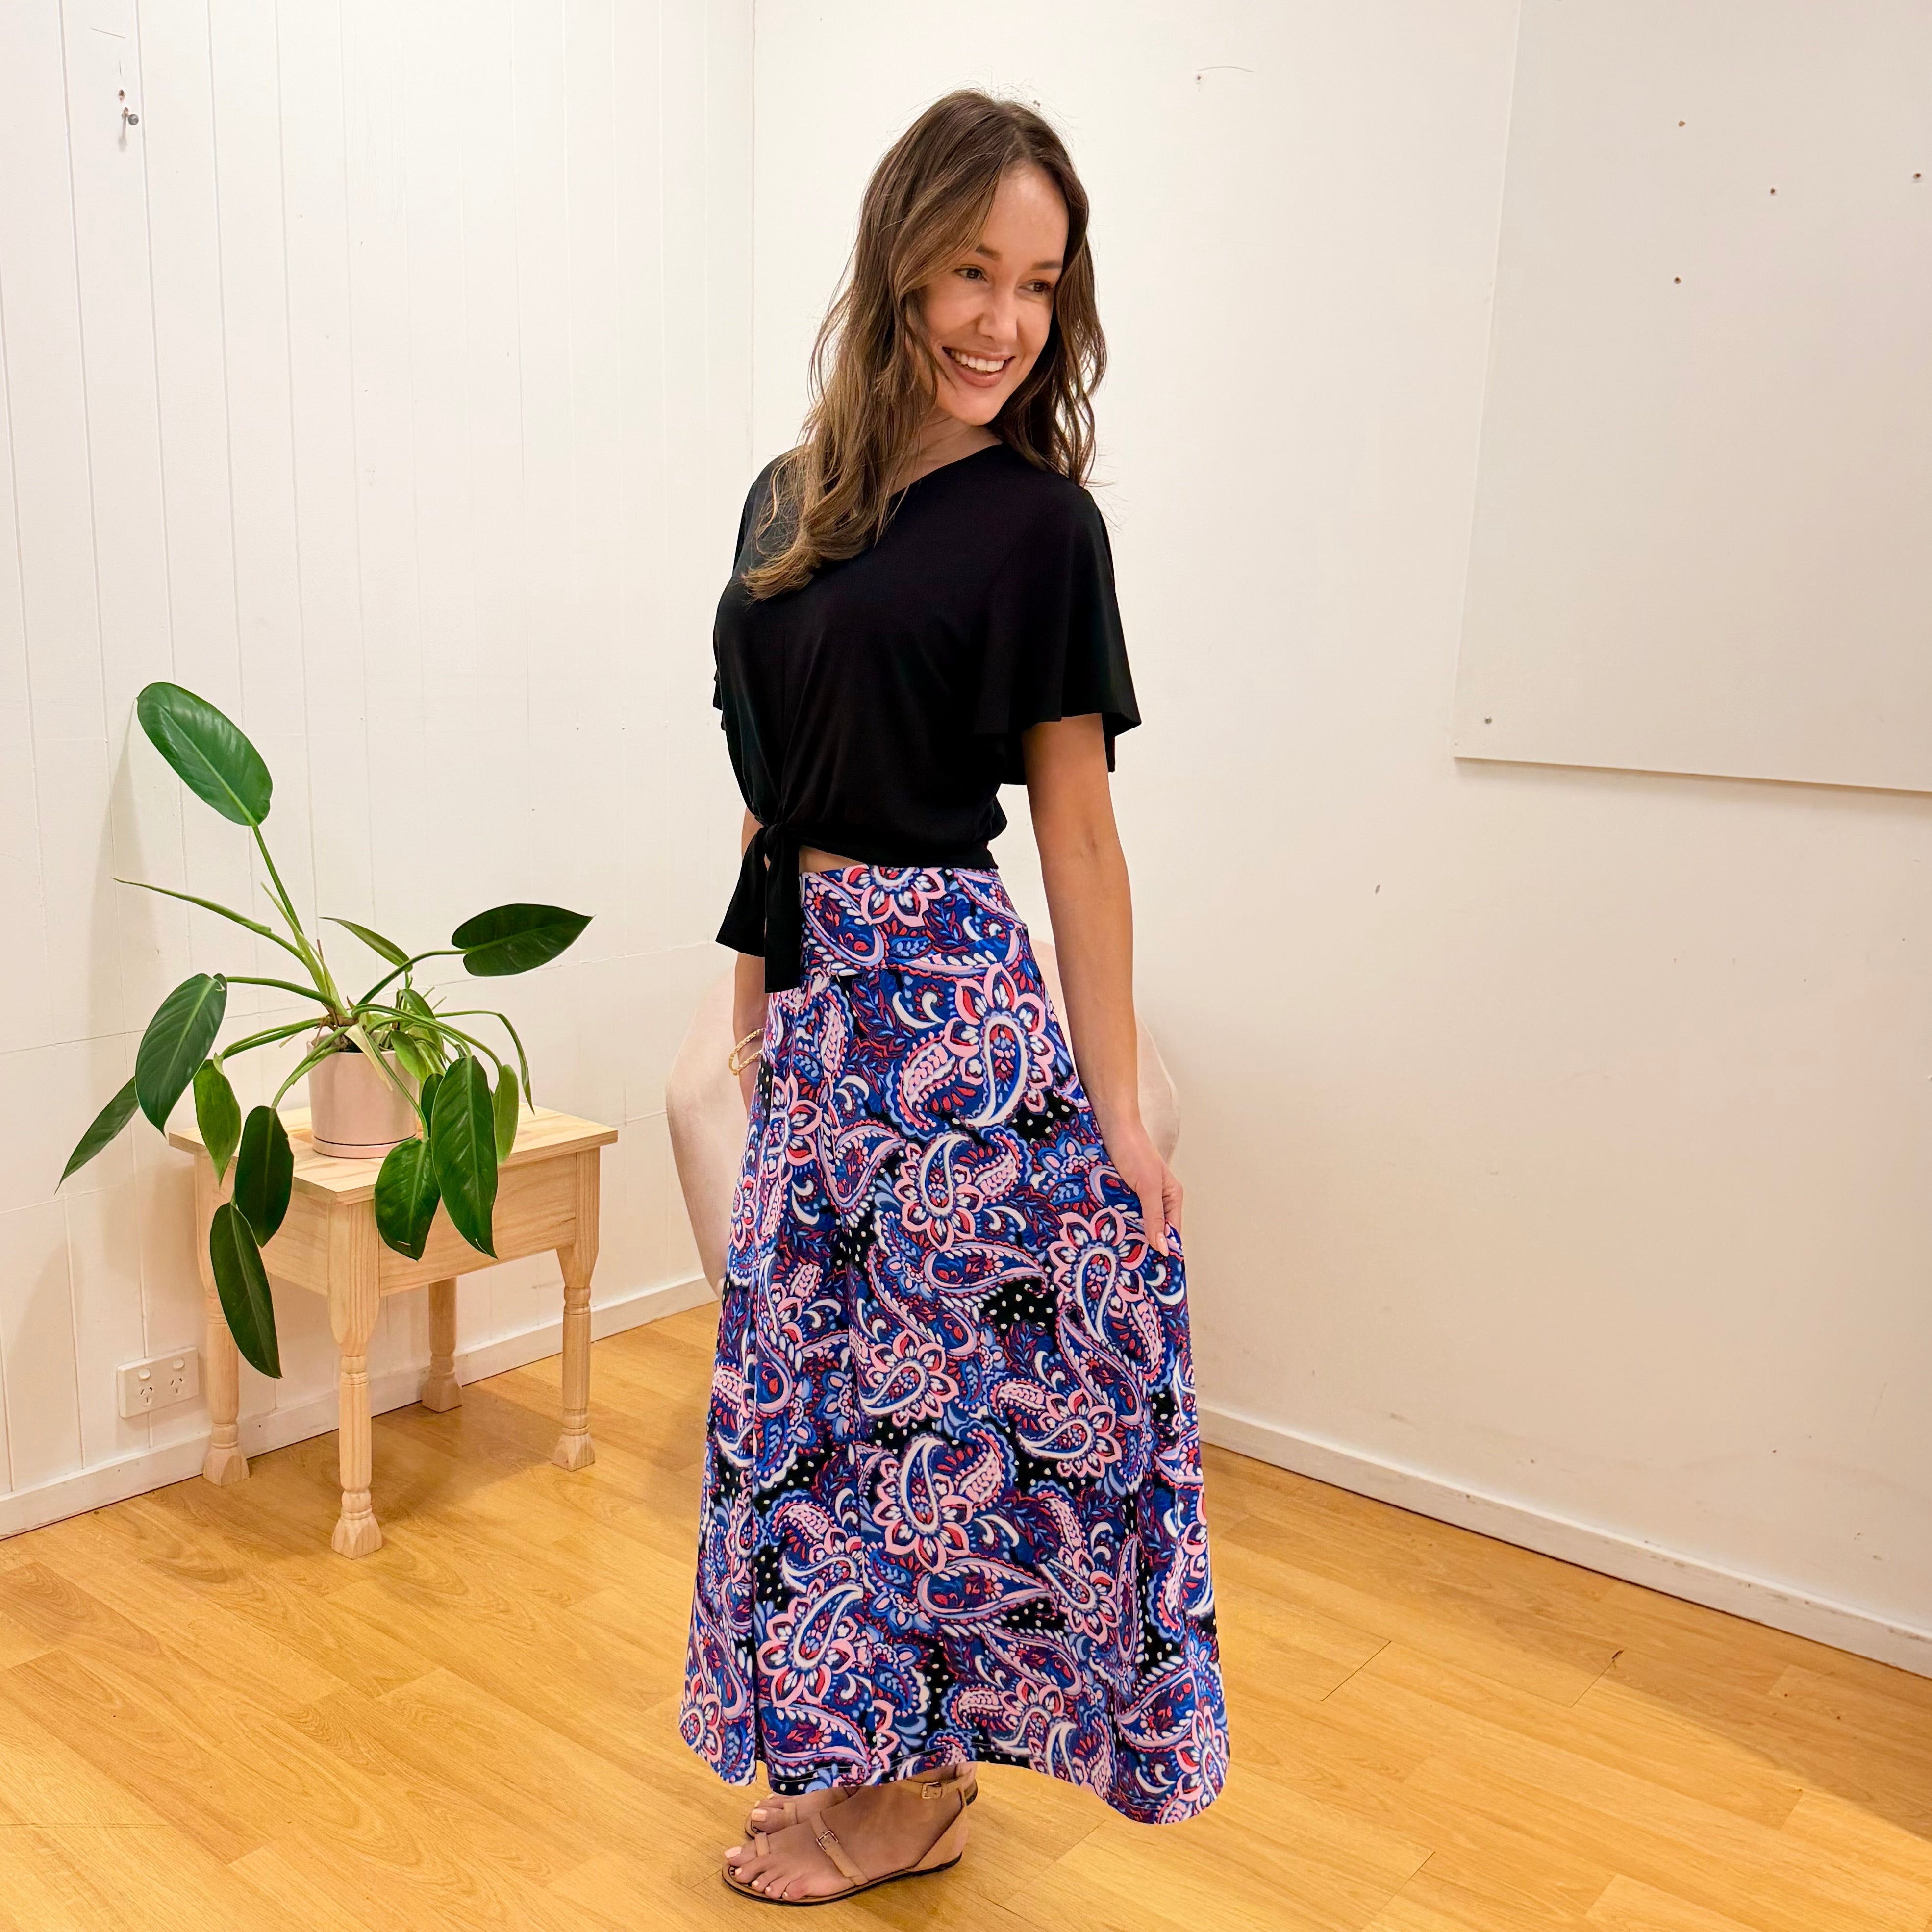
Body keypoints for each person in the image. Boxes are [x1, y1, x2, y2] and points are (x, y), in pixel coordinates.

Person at [681, 88, 1229, 1907]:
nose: (1005, 320)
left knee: (939, 1415)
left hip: (947, 1023)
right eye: (972, 272)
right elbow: (774, 778)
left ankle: (910, 1798)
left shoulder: (1040, 530)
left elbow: (1076, 832)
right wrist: (743, 1005)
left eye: (1042, 285)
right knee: (827, 1407)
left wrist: (1122, 1108)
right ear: (899, 263)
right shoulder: (793, 499)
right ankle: (875, 1776)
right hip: (823, 1007)